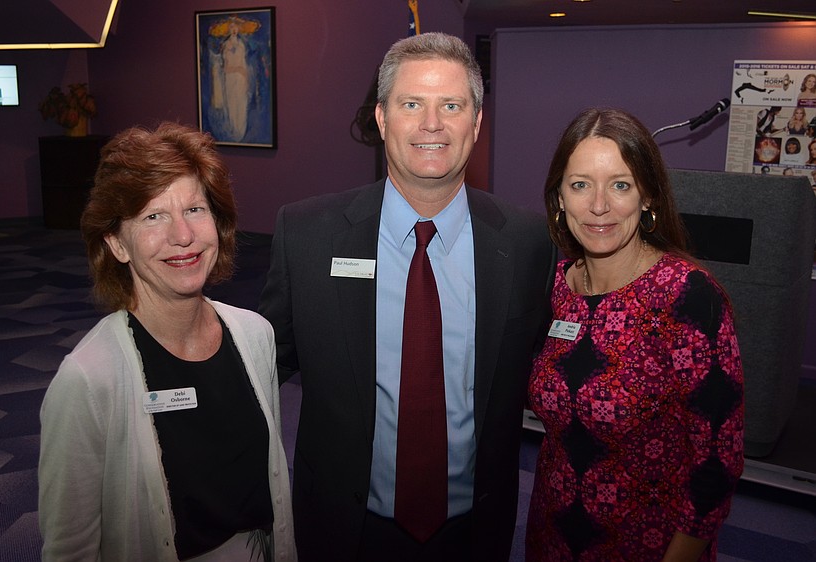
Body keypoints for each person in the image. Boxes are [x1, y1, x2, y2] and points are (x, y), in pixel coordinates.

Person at [258, 32, 555, 562]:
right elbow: (261, 367)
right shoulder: (307, 235)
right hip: (344, 530)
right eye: (412, 104)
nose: (431, 124)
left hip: (476, 531)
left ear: (476, 123)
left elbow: (546, 371)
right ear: (381, 118)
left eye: (452, 106)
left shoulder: (528, 242)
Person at [38, 122, 296, 562]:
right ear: (117, 244)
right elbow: (70, 548)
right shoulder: (89, 379)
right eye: (153, 216)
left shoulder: (256, 335)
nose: (182, 235)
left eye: (195, 209)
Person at [526, 108, 744, 561]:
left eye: (620, 185)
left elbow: (717, 461)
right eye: (580, 184)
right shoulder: (556, 286)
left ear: (648, 197)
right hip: (552, 533)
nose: (599, 205)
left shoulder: (687, 298)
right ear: (559, 198)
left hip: (647, 543)